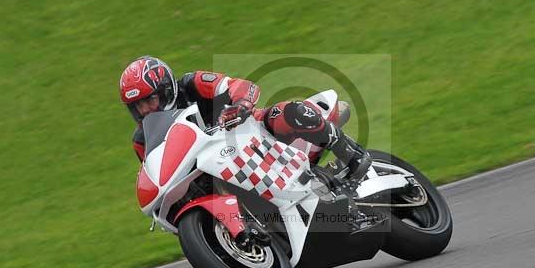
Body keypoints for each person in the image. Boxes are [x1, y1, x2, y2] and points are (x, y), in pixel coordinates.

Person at [119, 56, 371, 182]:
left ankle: (351, 153)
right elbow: (156, 174)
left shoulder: (192, 84)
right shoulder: (142, 139)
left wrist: (241, 105)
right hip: (218, 171)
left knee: (288, 113)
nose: (145, 111)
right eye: (137, 106)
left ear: (165, 89)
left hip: (251, 137)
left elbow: (239, 85)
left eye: (149, 100)